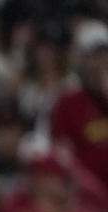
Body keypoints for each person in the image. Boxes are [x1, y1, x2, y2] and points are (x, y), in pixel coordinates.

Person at [50, 20, 108, 191]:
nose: (99, 61)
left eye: (104, 53)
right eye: (93, 55)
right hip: (87, 193)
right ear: (81, 58)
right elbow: (62, 152)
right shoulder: (68, 99)